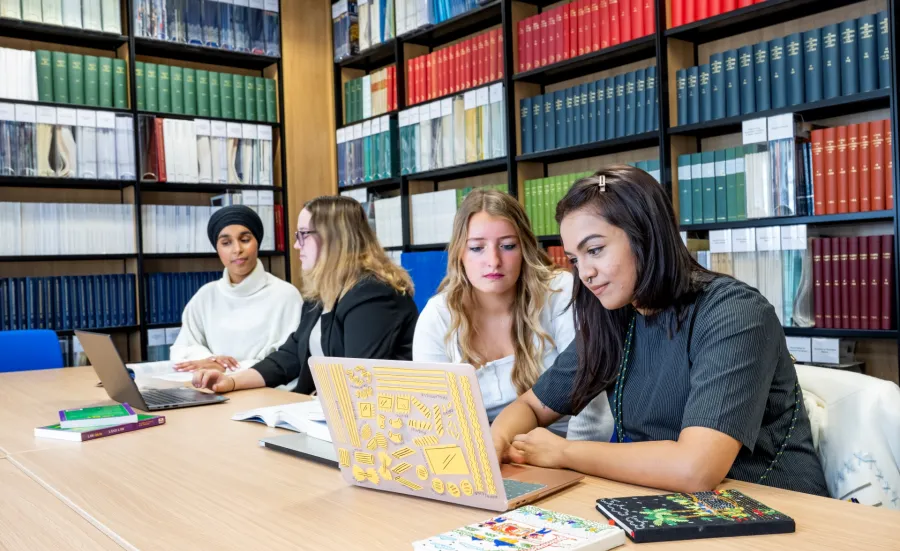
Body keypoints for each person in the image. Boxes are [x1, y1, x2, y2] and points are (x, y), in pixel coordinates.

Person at [491, 165, 829, 496]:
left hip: (771, 507)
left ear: (645, 237)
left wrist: (564, 453)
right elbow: (533, 407)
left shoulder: (734, 311)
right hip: (663, 503)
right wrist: (496, 440)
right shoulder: (616, 315)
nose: (585, 274)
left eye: (594, 250)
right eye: (575, 259)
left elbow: (696, 468)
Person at [413, 189, 612, 439]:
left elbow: (592, 405)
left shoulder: (561, 292)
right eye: (477, 248)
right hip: (484, 456)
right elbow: (434, 420)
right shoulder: (438, 316)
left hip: (563, 453)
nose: (493, 261)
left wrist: (574, 462)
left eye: (507, 246)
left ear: (524, 248)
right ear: (459, 253)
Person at [192, 196, 419, 394]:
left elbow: (358, 380)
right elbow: (289, 357)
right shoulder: (322, 293)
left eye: (303, 235)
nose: (296, 245)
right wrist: (231, 382)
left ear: (334, 238)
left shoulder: (373, 295)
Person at [170, 205, 303, 374]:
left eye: (245, 240)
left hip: (265, 390)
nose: (237, 250)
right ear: (217, 249)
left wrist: (224, 368)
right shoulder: (206, 295)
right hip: (211, 387)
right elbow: (184, 347)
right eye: (226, 243)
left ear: (257, 243)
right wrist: (212, 361)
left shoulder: (285, 295)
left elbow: (287, 359)